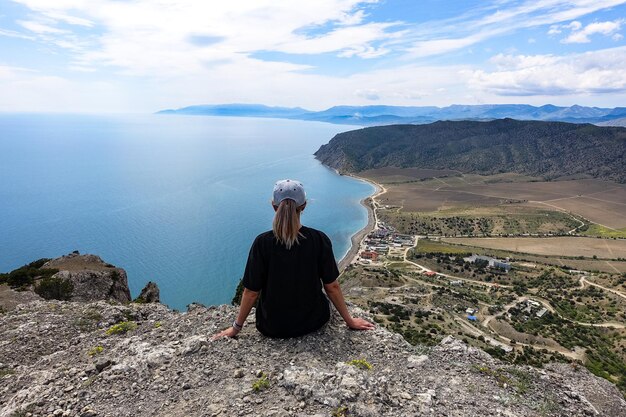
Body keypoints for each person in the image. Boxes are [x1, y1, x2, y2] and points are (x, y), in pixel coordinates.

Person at [213, 179, 374, 339]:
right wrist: (349, 321)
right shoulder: (319, 239)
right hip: (313, 322)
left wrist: (236, 328)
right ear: (303, 206)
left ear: (274, 206)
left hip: (272, 327)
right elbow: (331, 286)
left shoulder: (262, 243)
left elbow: (251, 292)